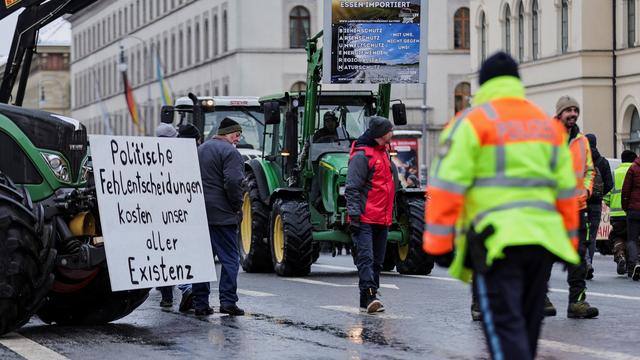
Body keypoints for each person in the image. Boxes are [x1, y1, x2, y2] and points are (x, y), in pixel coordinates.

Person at [423, 52, 580, 360]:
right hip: (541, 244)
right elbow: (566, 191)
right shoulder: (545, 126)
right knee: (527, 332)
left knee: (505, 332)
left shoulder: (471, 122)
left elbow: (445, 186)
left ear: (483, 85)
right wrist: (570, 245)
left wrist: (439, 245)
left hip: (496, 244)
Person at [543, 96, 599, 319]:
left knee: (578, 256)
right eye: (569, 110)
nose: (573, 114)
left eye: (576, 110)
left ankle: (577, 303)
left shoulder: (582, 141)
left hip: (577, 208)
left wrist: (585, 191)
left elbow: (589, 171)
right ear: (559, 114)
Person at [191, 117, 245, 316]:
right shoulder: (230, 152)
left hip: (199, 213)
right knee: (230, 258)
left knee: (202, 260)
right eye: (236, 135)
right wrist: (236, 206)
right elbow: (233, 182)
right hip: (222, 215)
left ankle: (200, 303)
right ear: (228, 133)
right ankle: (228, 302)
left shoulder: (200, 150)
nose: (238, 139)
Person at [345, 116, 395, 314]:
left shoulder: (383, 153)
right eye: (390, 130)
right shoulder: (361, 156)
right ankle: (370, 294)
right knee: (365, 257)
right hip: (365, 217)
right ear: (381, 134)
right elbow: (353, 188)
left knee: (377, 260)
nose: (393, 133)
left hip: (382, 218)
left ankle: (365, 298)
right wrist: (355, 216)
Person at [584, 133, 613, 279]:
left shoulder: (581, 160)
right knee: (593, 236)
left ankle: (585, 262)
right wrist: (600, 193)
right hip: (596, 204)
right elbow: (610, 184)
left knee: (581, 233)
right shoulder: (603, 162)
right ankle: (589, 263)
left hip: (582, 203)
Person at [605, 150, 637, 275]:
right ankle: (633, 264)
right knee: (633, 238)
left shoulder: (615, 173)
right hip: (633, 211)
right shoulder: (636, 171)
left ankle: (620, 256)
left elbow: (606, 195)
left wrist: (612, 204)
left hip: (617, 215)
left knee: (617, 236)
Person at [621, 150, 640, 280]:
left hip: (634, 210)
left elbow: (625, 190)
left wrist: (626, 207)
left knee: (632, 239)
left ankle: (633, 265)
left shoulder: (633, 168)